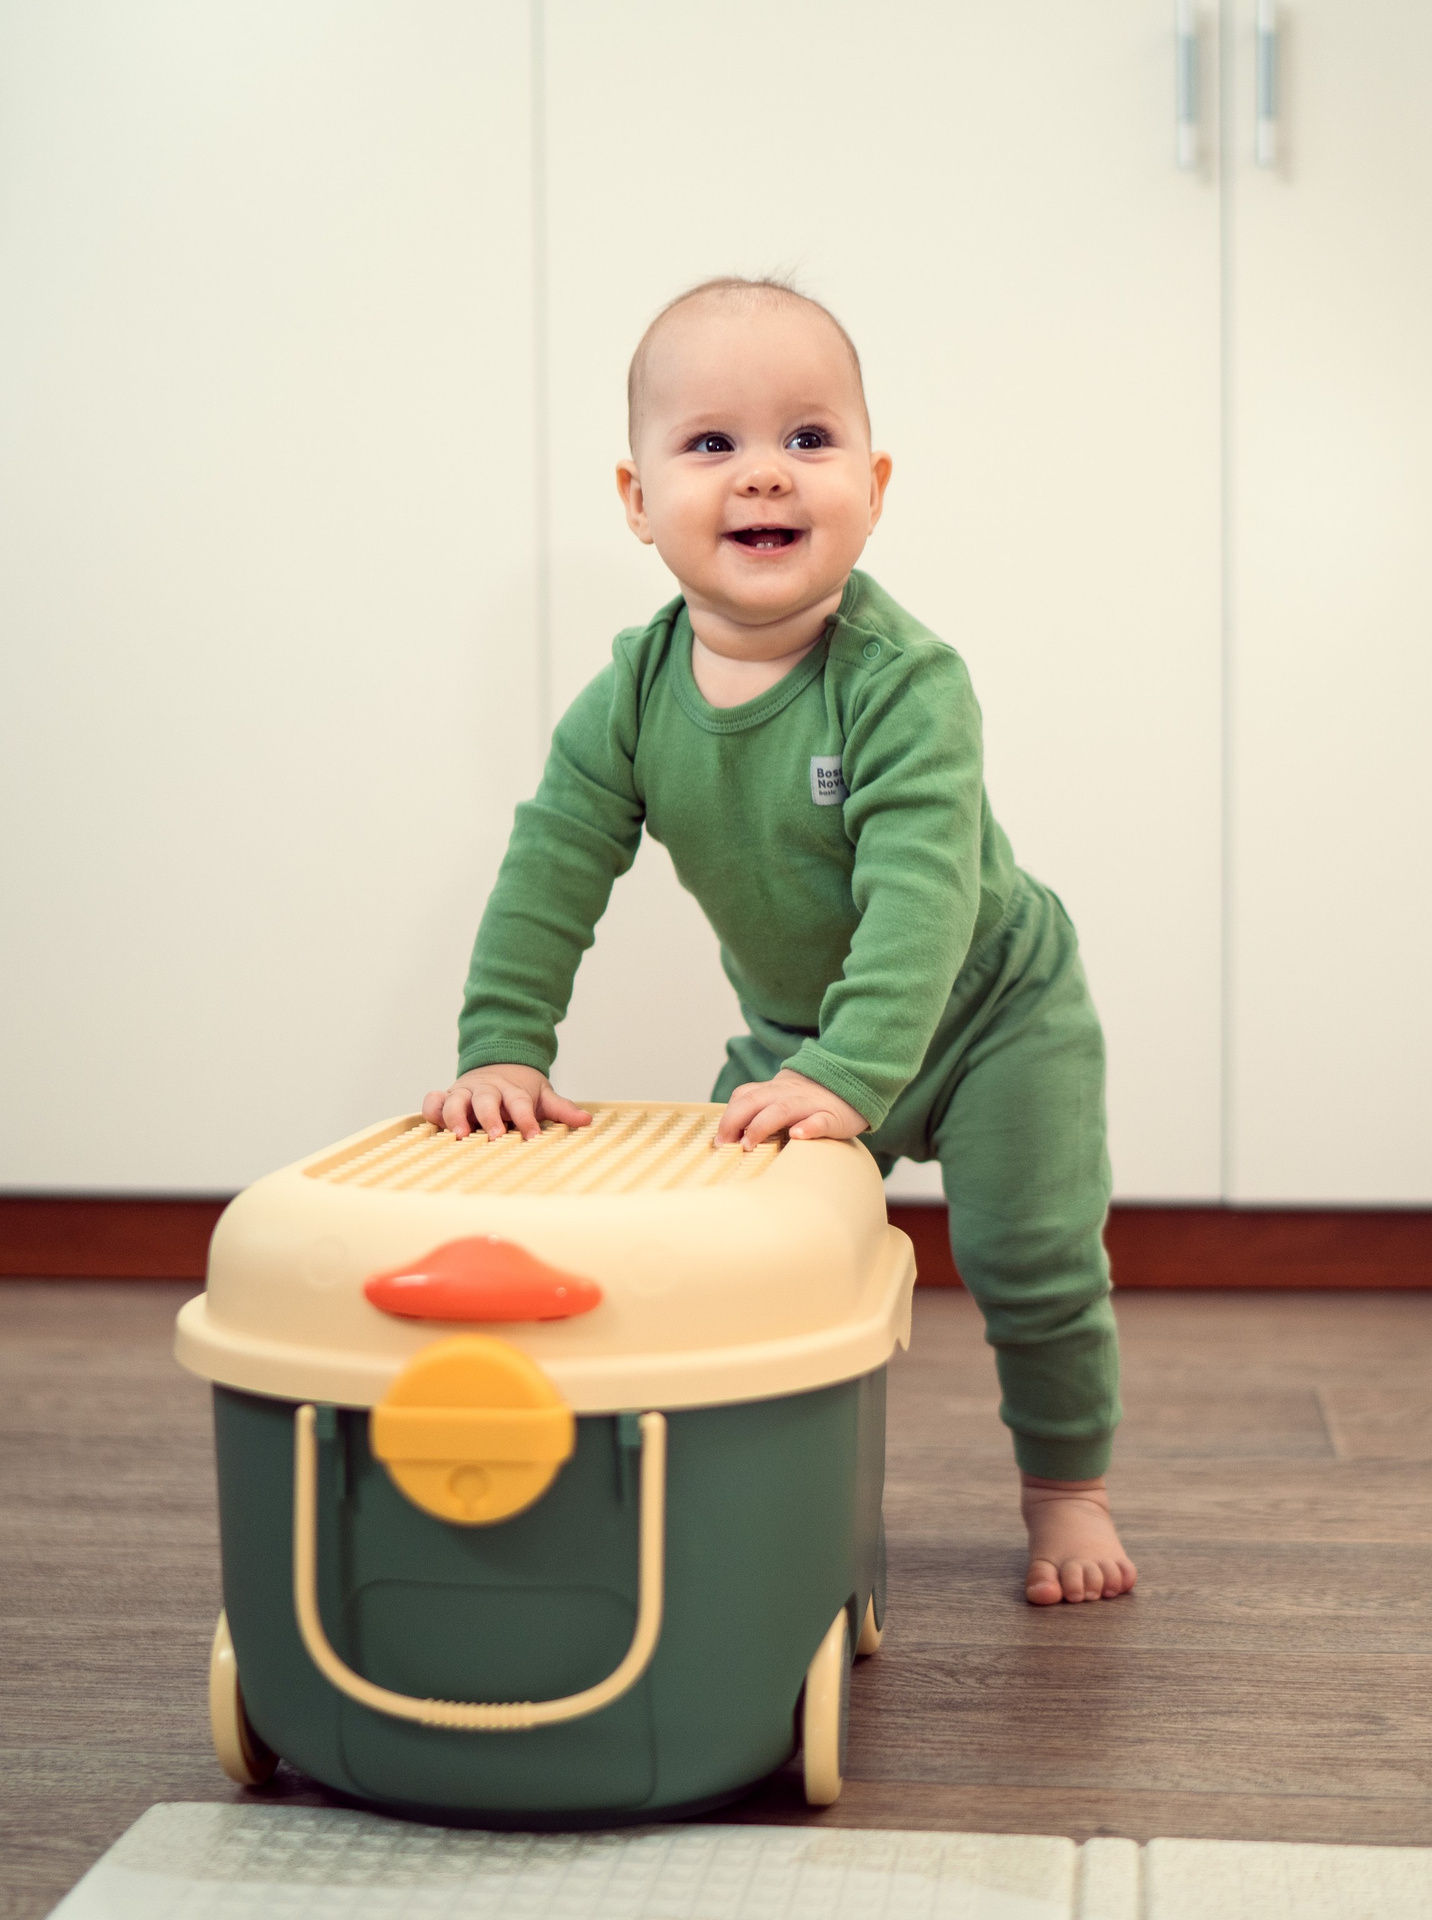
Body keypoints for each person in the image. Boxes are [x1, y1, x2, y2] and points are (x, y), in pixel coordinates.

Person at [421, 276, 1134, 1607]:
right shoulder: (634, 694)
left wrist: (850, 1081)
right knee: (720, 1255)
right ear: (637, 500)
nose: (764, 476)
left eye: (807, 441)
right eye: (712, 445)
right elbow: (552, 864)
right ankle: (743, 1486)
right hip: (802, 1034)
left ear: (872, 481)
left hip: (993, 1017)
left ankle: (1066, 1490)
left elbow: (923, 900)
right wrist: (502, 1046)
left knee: (1030, 1261)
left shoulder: (904, 681)